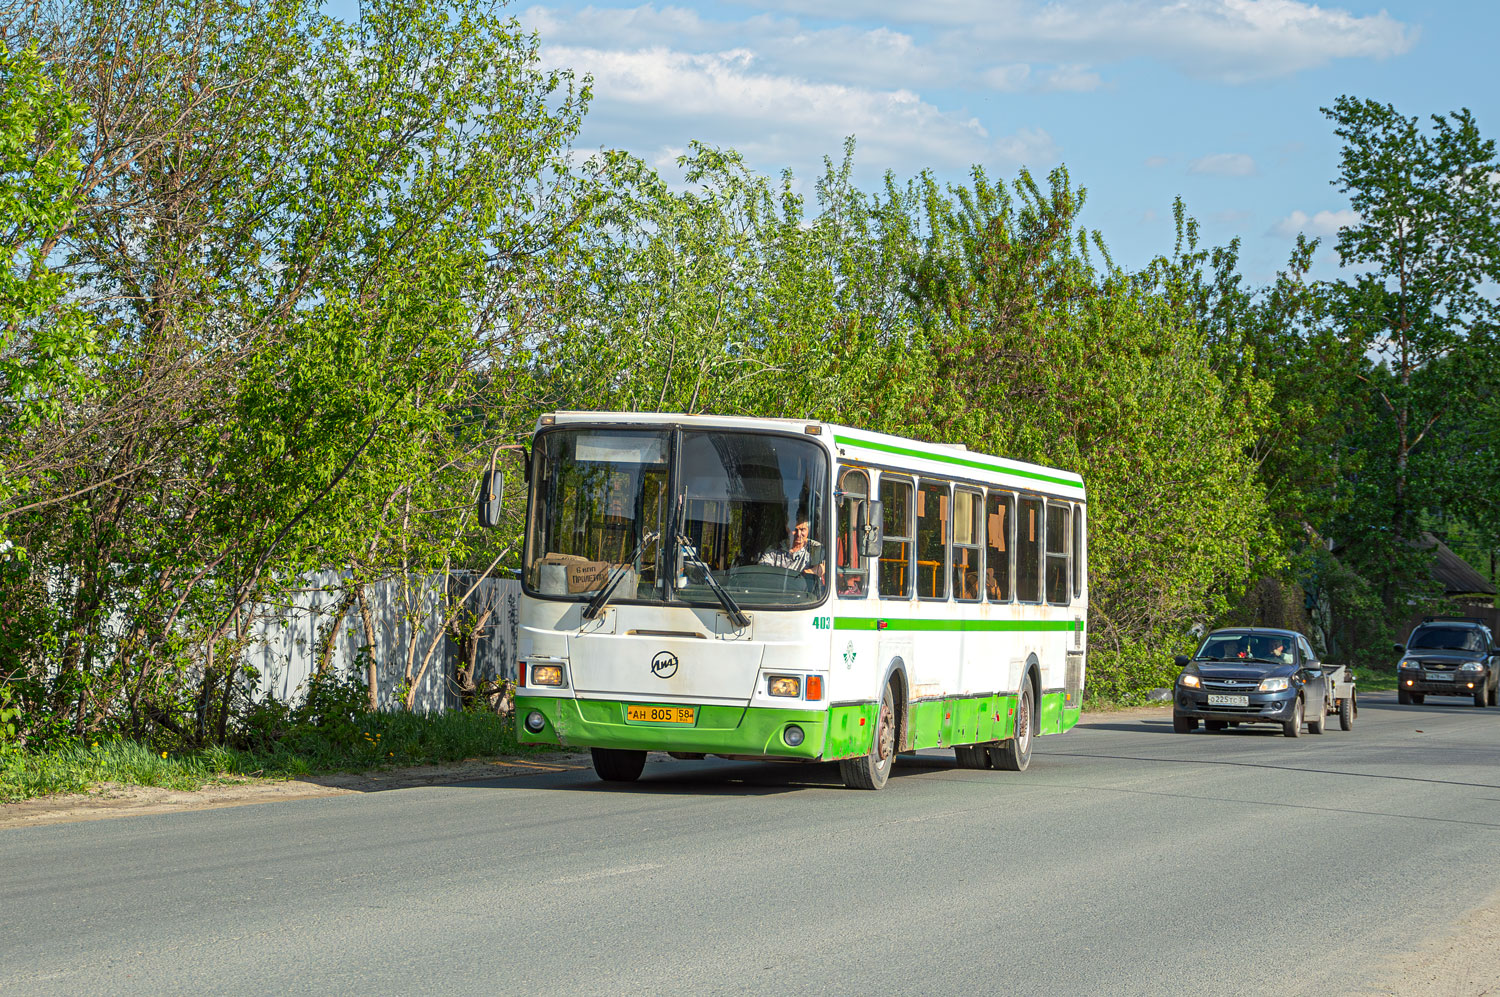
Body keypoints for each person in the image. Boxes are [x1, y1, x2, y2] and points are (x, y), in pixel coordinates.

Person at [760, 518, 824, 582]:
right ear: (787, 529)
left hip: (804, 590)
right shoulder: (774, 549)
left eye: (802, 529)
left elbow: (822, 568)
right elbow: (762, 571)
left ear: (808, 530)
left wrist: (807, 573)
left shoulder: (815, 548)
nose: (798, 534)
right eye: (795, 530)